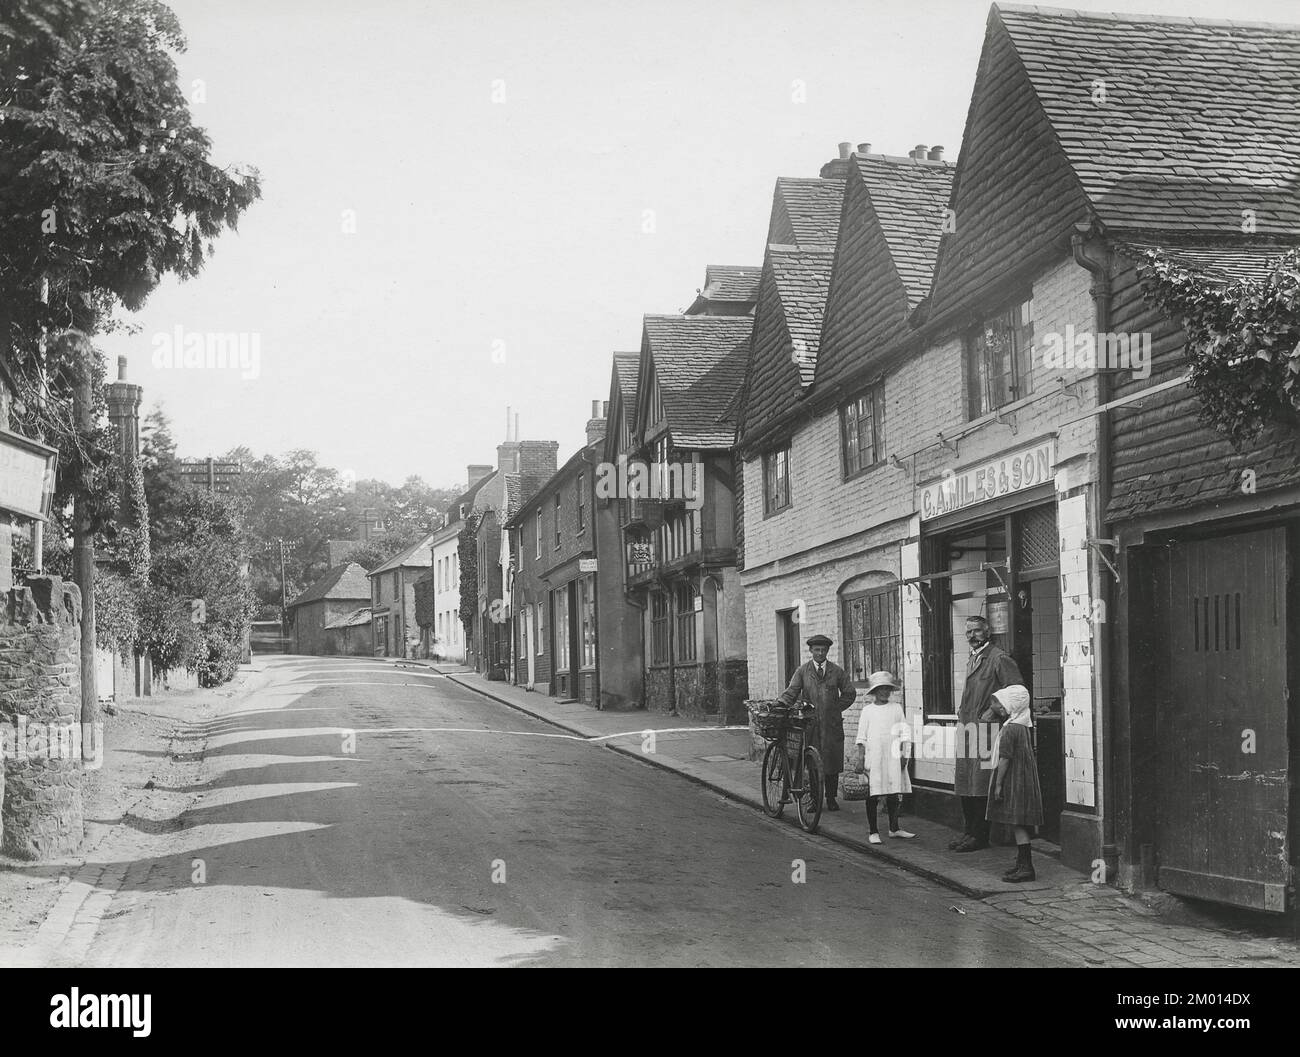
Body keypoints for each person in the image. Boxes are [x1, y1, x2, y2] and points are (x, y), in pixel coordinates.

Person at [952, 614, 1023, 852]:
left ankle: (980, 836)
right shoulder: (973, 658)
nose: (972, 636)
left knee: (981, 784)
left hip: (986, 731)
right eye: (968, 632)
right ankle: (968, 832)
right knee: (965, 782)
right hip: (967, 729)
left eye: (977, 631)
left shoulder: (999, 658)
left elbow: (1017, 692)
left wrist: (994, 711)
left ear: (987, 632)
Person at [778, 633, 856, 811]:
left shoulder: (836, 671)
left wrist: (835, 709)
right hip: (810, 725)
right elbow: (792, 691)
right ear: (811, 651)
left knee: (832, 762)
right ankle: (815, 800)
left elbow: (849, 693)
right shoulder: (802, 671)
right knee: (812, 763)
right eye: (817, 650)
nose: (820, 653)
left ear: (828, 651)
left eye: (823, 650)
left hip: (832, 725)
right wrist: (781, 703)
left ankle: (831, 798)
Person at [985, 684, 1043, 882]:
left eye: (1002, 705)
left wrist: (999, 784)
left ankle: (1026, 867)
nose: (999, 709)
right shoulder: (1023, 725)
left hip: (1014, 778)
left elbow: (1005, 758)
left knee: (1017, 823)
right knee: (1019, 822)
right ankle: (1022, 863)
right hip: (1025, 777)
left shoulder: (1010, 729)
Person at [853, 671, 915, 844]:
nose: (884, 692)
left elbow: (905, 733)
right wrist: (860, 758)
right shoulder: (868, 711)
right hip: (875, 756)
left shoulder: (896, 708)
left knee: (894, 792)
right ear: (874, 691)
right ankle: (873, 831)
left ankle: (894, 828)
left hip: (893, 756)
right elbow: (861, 737)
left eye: (887, 689)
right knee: (873, 794)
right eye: (880, 689)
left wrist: (904, 755)